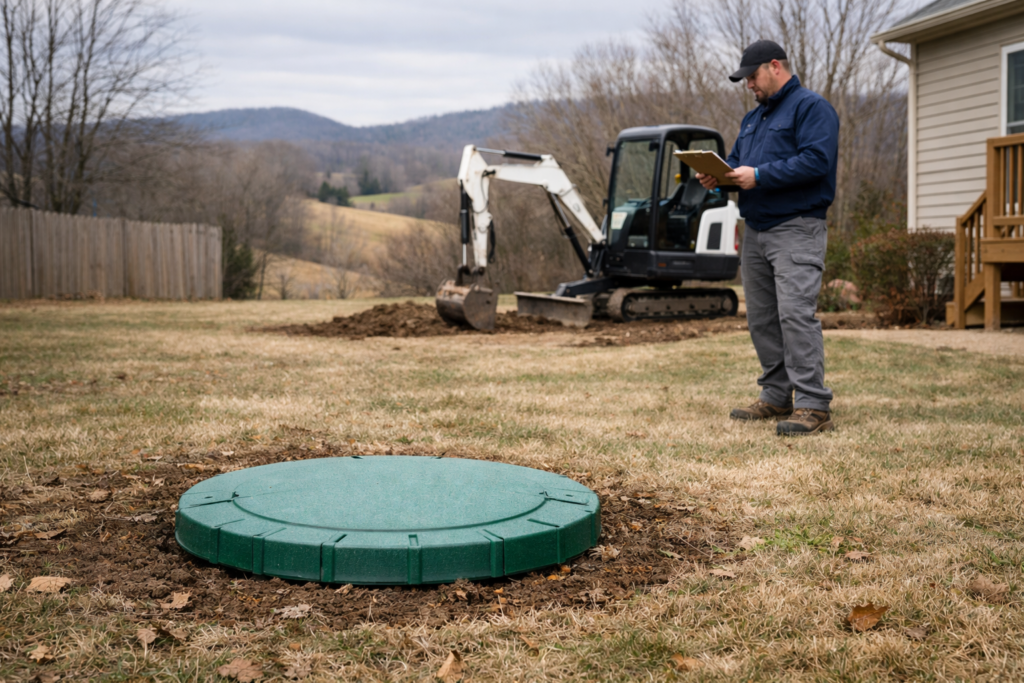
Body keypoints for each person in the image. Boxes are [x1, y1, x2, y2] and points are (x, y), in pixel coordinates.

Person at [696, 40, 839, 435]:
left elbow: (816, 161)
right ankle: (776, 396)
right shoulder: (752, 120)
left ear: (775, 66)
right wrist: (718, 178)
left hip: (797, 228)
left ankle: (813, 404)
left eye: (752, 77)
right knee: (762, 319)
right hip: (755, 231)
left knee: (796, 315)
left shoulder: (812, 108)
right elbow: (738, 168)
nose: (748, 86)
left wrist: (757, 175)